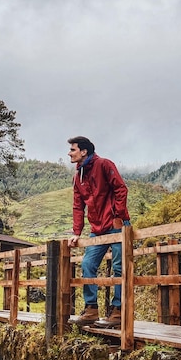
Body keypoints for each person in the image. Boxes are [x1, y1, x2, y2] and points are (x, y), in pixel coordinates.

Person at [67, 136, 131, 328]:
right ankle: (91, 309)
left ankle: (118, 311)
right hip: (97, 229)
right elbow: (78, 206)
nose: (69, 153)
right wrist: (77, 232)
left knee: (120, 268)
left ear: (84, 151)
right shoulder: (78, 176)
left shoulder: (104, 164)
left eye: (73, 150)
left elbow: (121, 189)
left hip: (116, 224)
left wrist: (118, 215)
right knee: (87, 264)